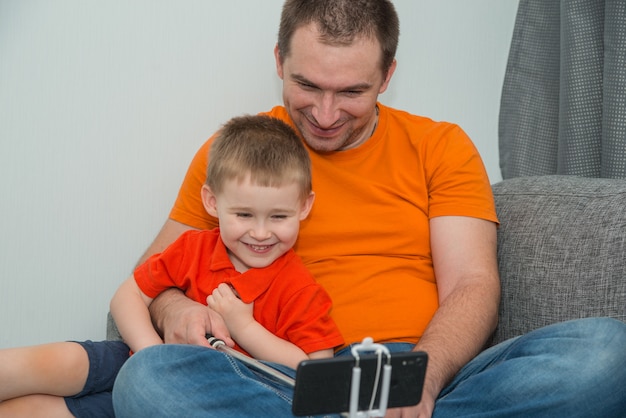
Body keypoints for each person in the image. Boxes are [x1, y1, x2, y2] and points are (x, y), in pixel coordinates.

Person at [112, 1, 626, 417]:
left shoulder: (438, 146)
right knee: (147, 381)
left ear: (387, 76)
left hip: (419, 370)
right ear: (278, 63)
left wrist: (420, 380)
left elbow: (472, 285)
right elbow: (151, 276)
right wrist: (176, 308)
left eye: (352, 92)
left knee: (608, 351)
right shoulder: (238, 154)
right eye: (307, 85)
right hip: (282, 383)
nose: (326, 114)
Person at [0, 115, 343, 418]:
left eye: (278, 217)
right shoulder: (194, 248)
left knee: (37, 410)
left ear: (303, 207)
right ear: (211, 201)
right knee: (54, 363)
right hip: (141, 358)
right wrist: (151, 353)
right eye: (243, 215)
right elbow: (127, 295)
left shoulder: (300, 289)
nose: (260, 232)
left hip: (201, 395)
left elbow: (317, 376)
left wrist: (244, 327)